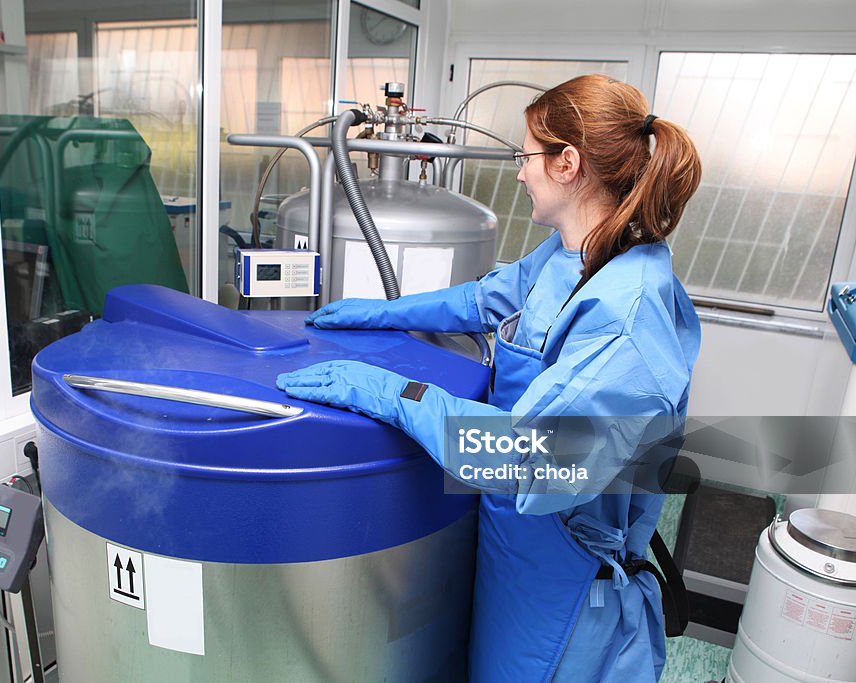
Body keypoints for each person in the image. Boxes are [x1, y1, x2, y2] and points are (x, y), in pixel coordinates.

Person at [276, 73, 702, 682]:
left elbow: (533, 461)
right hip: (515, 541)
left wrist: (396, 394)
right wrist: (377, 313)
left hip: (567, 580)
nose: (519, 171)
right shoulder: (575, 252)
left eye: (525, 156)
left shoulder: (627, 320)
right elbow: (485, 299)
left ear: (568, 164)